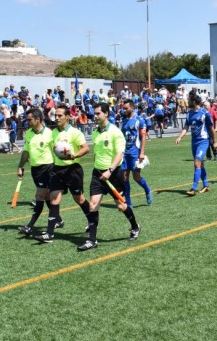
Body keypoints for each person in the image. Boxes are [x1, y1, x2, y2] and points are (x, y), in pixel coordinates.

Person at [79, 102, 141, 251]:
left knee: (121, 205)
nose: (96, 116)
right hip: (98, 174)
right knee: (93, 205)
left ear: (106, 113)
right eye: (95, 113)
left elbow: (120, 153)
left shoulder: (115, 132)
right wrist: (99, 170)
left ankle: (135, 226)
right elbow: (97, 154)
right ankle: (92, 240)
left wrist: (110, 170)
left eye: (99, 113)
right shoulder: (95, 133)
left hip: (114, 174)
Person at [33, 105, 91, 244]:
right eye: (56, 115)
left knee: (79, 199)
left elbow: (86, 148)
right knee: (54, 199)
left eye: (60, 116)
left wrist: (74, 155)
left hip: (73, 170)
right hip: (57, 169)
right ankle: (50, 233)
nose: (57, 118)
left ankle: (92, 220)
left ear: (67, 117)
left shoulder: (75, 132)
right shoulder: (53, 133)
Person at [16, 108, 55, 237]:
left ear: (38, 119)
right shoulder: (28, 133)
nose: (27, 122)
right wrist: (20, 166)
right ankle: (58, 219)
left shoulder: (50, 134)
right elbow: (26, 151)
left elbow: (57, 152)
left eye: (29, 119)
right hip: (35, 169)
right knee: (47, 197)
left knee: (39, 197)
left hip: (48, 169)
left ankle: (29, 226)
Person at [175, 95, 217, 196]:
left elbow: (211, 128)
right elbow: (186, 127)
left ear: (195, 101)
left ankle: (193, 188)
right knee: (200, 164)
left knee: (196, 163)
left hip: (203, 141)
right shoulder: (189, 113)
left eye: (190, 100)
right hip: (194, 142)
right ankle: (206, 185)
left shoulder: (204, 113)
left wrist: (215, 141)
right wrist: (180, 137)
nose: (188, 101)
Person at [119, 99, 154, 207]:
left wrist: (142, 153)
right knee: (124, 177)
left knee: (136, 177)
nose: (124, 110)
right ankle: (128, 203)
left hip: (135, 153)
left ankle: (147, 189)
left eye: (126, 108)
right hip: (125, 153)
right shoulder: (123, 121)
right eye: (123, 108)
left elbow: (143, 137)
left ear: (132, 107)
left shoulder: (139, 120)